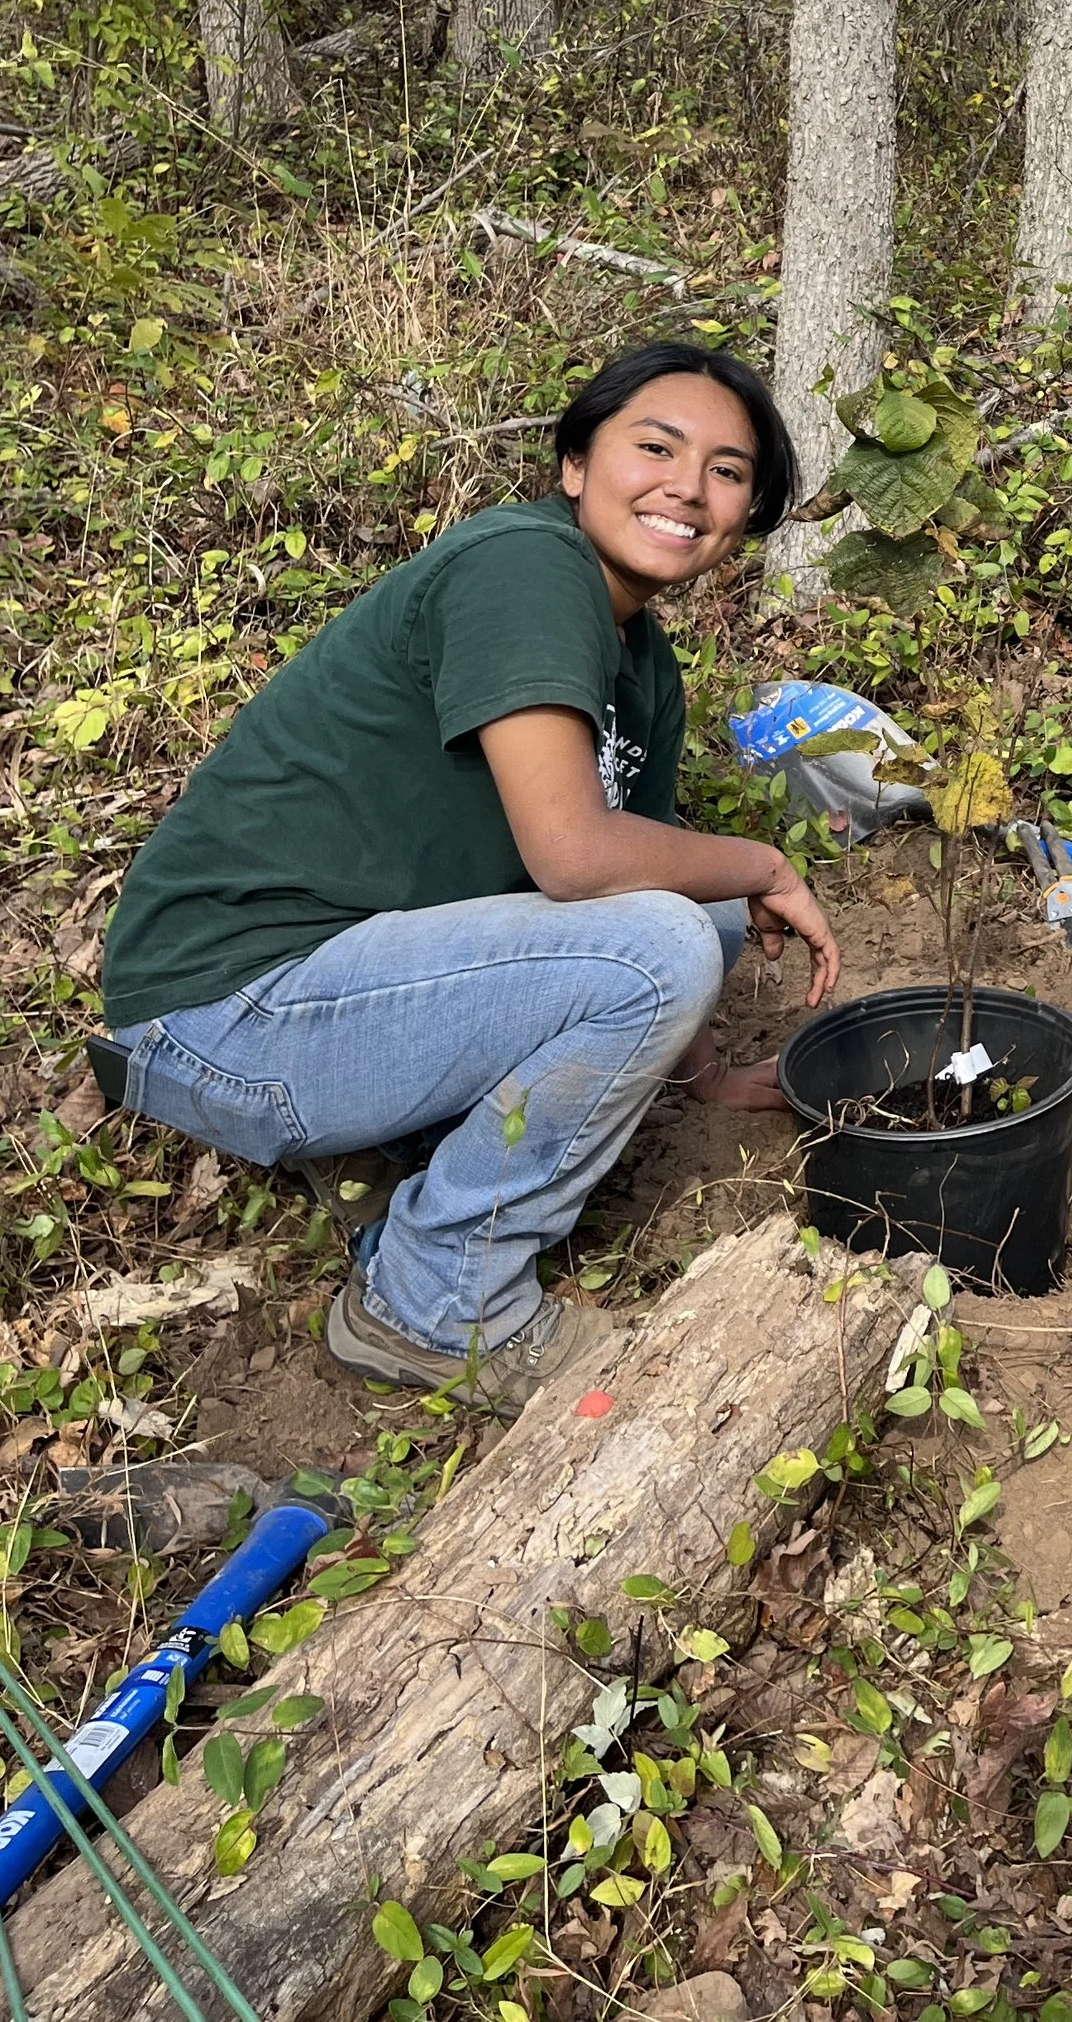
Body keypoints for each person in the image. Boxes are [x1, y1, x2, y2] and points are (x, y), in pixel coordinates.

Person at [98, 340, 841, 1410]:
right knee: (678, 928)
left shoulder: (642, 662)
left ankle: (404, 1148)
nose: (689, 485)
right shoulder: (523, 567)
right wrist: (769, 860)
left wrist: (706, 1074)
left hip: (341, 980)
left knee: (701, 910)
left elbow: (647, 870)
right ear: (575, 465)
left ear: (747, 512)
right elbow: (577, 860)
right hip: (227, 1014)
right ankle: (432, 1303)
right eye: (656, 446)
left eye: (728, 470)